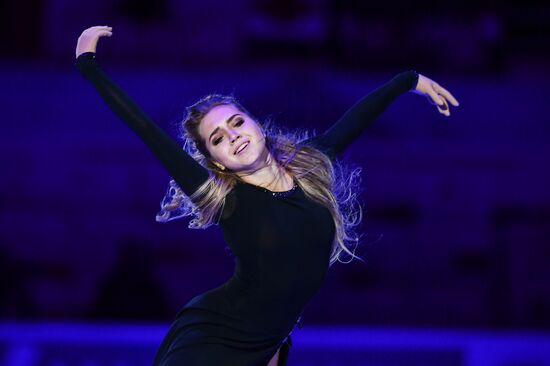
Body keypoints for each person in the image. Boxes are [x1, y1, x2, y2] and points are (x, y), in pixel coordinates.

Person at [74, 25, 459, 366]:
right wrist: (89, 65)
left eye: (236, 122)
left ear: (255, 123)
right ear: (216, 161)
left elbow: (356, 119)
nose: (234, 135)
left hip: (269, 341)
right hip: (214, 338)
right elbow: (146, 129)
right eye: (218, 139)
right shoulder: (226, 200)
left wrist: (408, 81)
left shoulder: (312, 165)